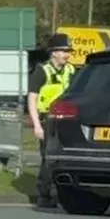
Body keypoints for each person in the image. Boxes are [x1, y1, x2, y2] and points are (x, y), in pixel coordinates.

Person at [27, 33, 75, 208]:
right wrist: (37, 125)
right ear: (53, 52)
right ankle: (44, 195)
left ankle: (62, 193)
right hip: (47, 119)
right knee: (49, 158)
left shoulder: (70, 70)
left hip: (66, 119)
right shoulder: (42, 71)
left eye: (68, 51)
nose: (67, 54)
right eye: (63, 51)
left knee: (64, 158)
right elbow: (32, 98)